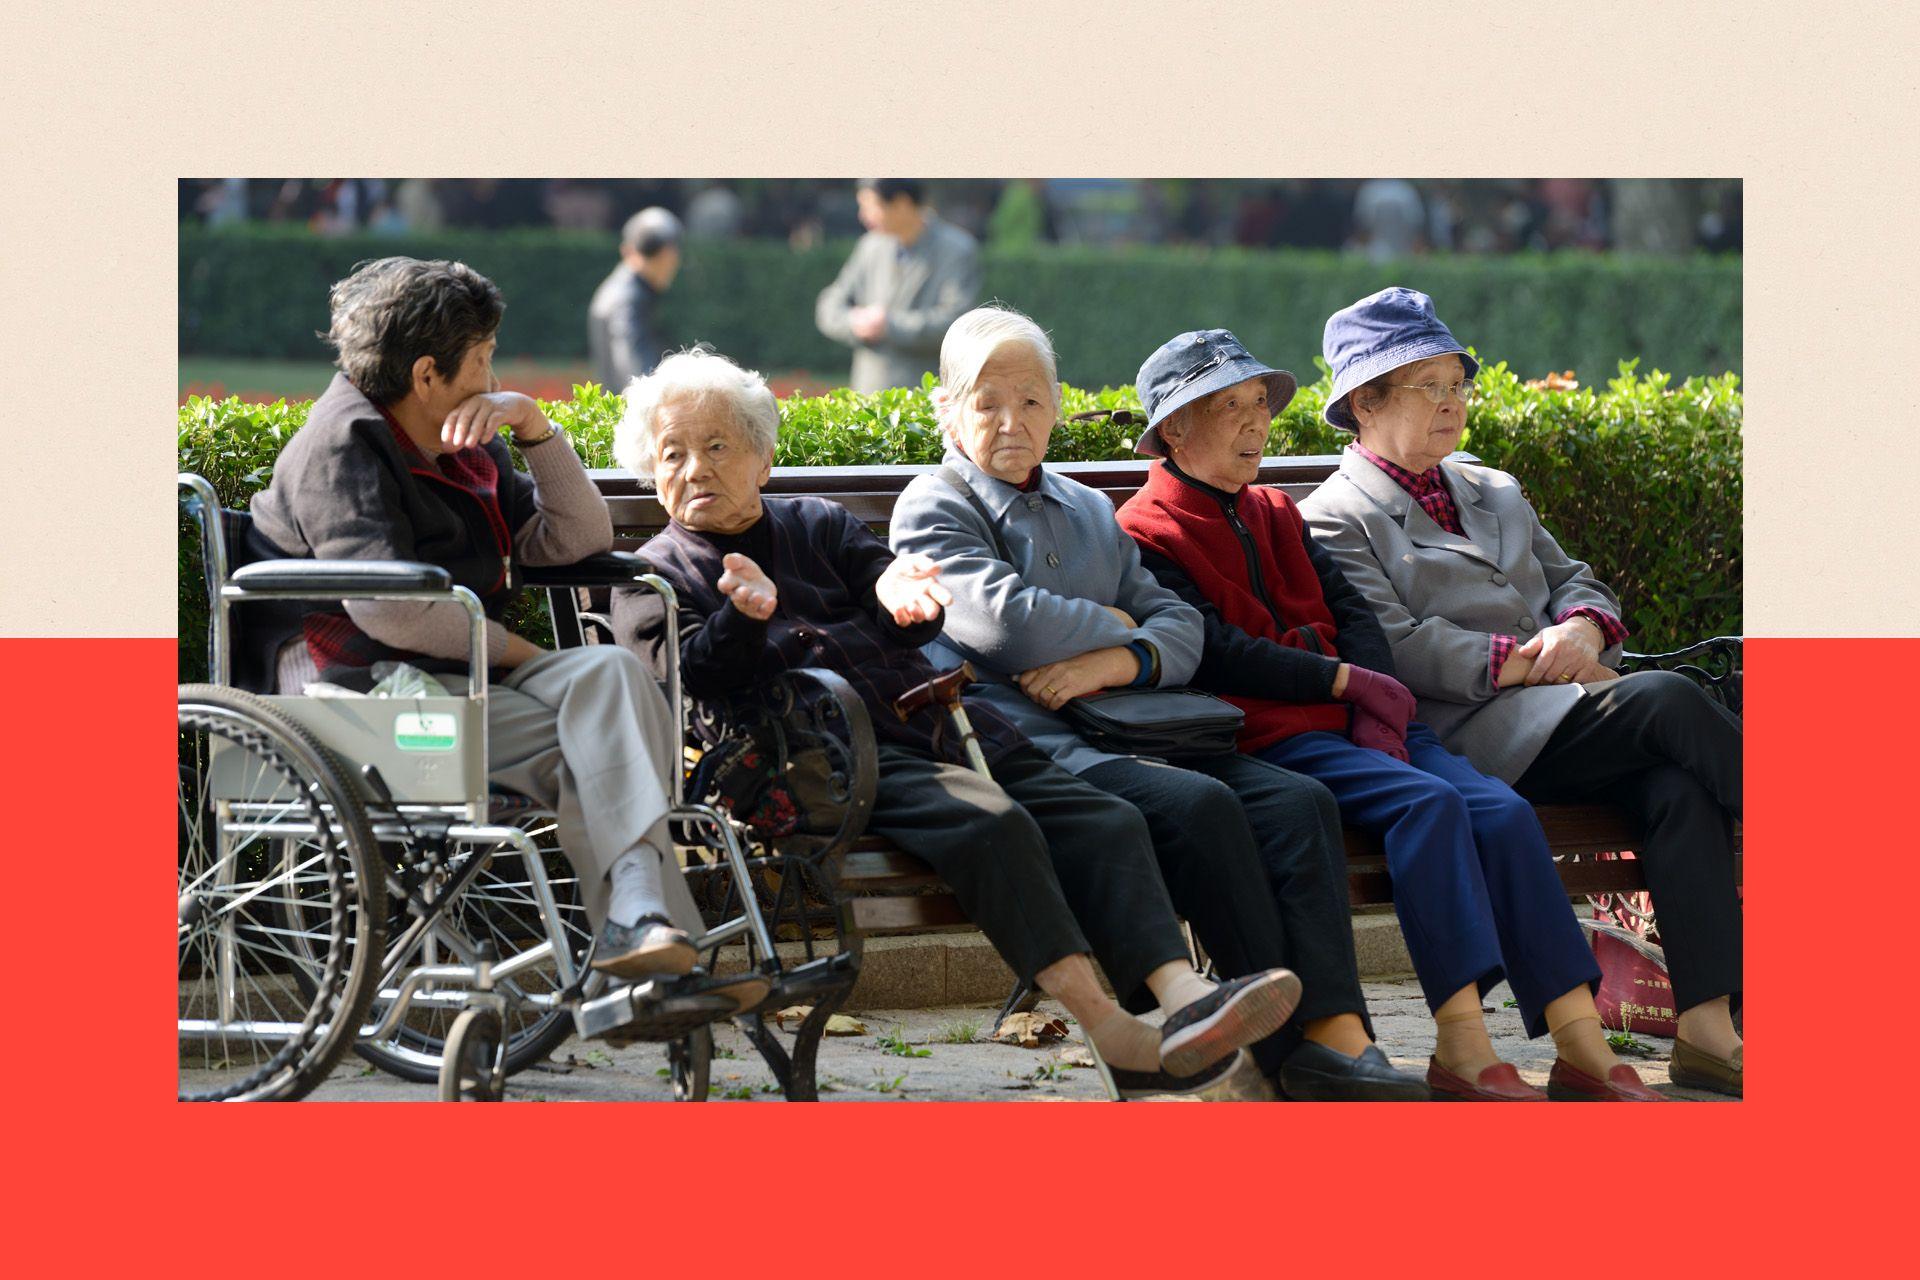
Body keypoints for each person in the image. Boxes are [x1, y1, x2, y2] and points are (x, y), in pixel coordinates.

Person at [608, 346, 1302, 1099]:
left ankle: (1182, 998)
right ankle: (1113, 1030)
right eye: (672, 453)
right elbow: (690, 692)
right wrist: (743, 619)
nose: (696, 468)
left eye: (717, 447)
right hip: (823, 756)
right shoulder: (655, 577)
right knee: (992, 824)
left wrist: (907, 592)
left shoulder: (816, 523)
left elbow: (893, 592)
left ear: (763, 459)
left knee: (1102, 817)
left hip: (944, 725)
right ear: (651, 469)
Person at [889, 306, 1427, 1101]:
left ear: (1058, 407)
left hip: (1142, 725)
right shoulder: (935, 505)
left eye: (1033, 400)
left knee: (1298, 801)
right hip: (1039, 747)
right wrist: (1108, 622)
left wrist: (1117, 655)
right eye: (987, 400)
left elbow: (1183, 631)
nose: (1013, 421)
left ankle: (1335, 1035)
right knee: (1198, 806)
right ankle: (1264, 1061)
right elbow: (1004, 624)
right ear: (948, 409)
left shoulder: (1085, 508)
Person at [1116, 327, 1664, 1103]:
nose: (1256, 422)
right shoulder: (1147, 530)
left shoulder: (1276, 508)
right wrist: (1342, 682)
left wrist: (1367, 684)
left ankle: (1580, 1042)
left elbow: (1352, 612)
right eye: (1229, 406)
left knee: (1503, 814)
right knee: (1431, 803)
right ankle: (1463, 1045)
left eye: (1258, 403)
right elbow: (1217, 650)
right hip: (1281, 735)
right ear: (1174, 429)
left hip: (1368, 718)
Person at [244, 256, 761, 1010]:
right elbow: (389, 610)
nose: (492, 376)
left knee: (613, 681)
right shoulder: (341, 446)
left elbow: (576, 539)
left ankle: (640, 923)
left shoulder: (463, 439)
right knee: (602, 738)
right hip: (357, 708)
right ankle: (650, 956)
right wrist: (523, 656)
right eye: (483, 360)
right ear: (427, 374)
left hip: (451, 684)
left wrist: (537, 430)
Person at [1299, 286, 1745, 1096]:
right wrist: (1544, 658)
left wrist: (1583, 629)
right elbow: (1400, 649)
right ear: (1364, 402)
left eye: (1458, 383)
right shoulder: (1335, 518)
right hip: (1477, 736)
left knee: (1677, 785)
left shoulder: (1494, 489)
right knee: (1668, 701)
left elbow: (1581, 583)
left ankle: (1709, 1032)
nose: (1452, 403)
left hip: (1572, 715)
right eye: (1428, 386)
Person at [814, 179, 981, 393]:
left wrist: (888, 325)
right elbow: (829, 304)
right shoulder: (870, 246)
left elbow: (957, 323)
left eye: (870, 206)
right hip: (866, 397)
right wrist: (853, 322)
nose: (863, 216)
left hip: (926, 400)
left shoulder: (957, 250)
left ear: (902, 204)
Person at [588, 206, 682, 389]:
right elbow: (639, 374)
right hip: (632, 412)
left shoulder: (624, 289)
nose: (668, 260)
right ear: (627, 251)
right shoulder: (628, 300)